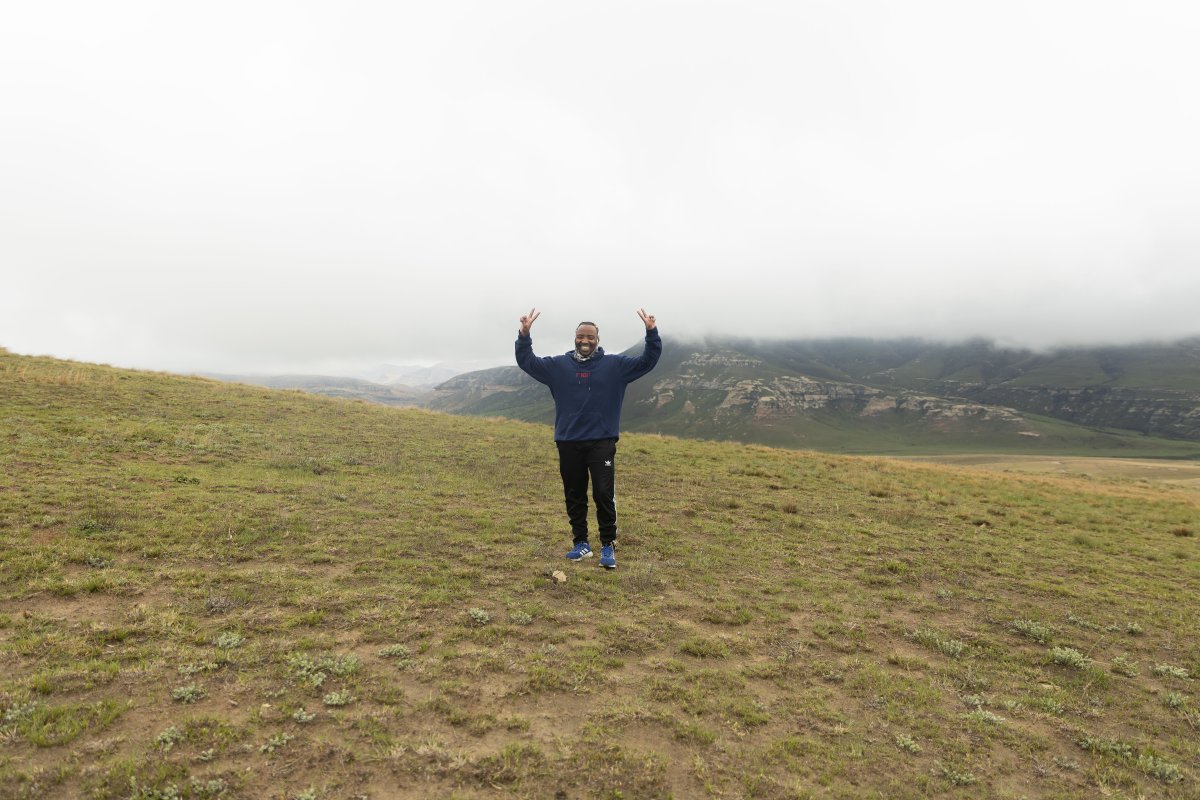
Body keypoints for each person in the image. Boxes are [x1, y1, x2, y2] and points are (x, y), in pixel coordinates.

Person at [515, 308, 662, 569]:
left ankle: (608, 544)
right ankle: (581, 543)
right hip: (568, 441)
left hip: (602, 441)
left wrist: (651, 333)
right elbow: (528, 362)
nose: (585, 341)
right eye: (581, 336)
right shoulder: (558, 366)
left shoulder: (615, 366)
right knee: (574, 494)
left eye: (590, 337)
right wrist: (524, 335)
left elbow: (647, 361)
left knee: (603, 493)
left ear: (597, 339)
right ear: (575, 338)